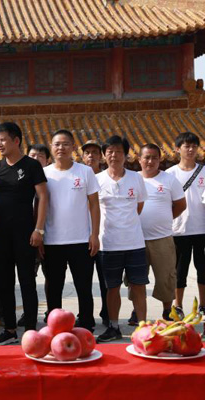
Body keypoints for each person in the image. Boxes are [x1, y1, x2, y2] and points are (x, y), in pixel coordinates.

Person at [0, 122, 47, 345]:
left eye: (3, 140)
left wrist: (38, 229)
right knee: (3, 282)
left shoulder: (32, 165)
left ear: (16, 141)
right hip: (1, 233)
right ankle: (10, 330)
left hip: (25, 232)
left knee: (27, 282)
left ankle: (31, 330)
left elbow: (43, 197)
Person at [43, 129, 100, 331]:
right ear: (51, 147)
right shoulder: (45, 173)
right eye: (57, 144)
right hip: (52, 240)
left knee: (83, 286)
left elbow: (94, 204)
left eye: (66, 144)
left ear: (73, 147)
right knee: (53, 287)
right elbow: (39, 206)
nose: (61, 148)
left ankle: (87, 323)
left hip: (81, 239)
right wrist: (40, 233)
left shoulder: (85, 172)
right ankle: (55, 325)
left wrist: (94, 234)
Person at [96, 135, 148, 343]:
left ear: (126, 155)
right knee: (112, 287)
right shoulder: (97, 179)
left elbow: (139, 206)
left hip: (134, 242)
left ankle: (143, 328)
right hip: (108, 243)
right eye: (110, 151)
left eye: (118, 151)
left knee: (138, 286)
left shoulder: (136, 178)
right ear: (104, 155)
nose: (114, 155)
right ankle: (114, 326)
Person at [127, 144, 186, 323]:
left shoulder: (169, 180)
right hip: (136, 238)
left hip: (162, 238)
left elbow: (180, 205)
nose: (150, 161)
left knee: (166, 276)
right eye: (146, 157)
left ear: (160, 159)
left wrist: (165, 218)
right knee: (135, 278)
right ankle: (137, 311)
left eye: (154, 157)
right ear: (139, 159)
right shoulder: (132, 179)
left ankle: (167, 310)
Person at [166, 132, 205, 316]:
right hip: (178, 230)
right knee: (179, 271)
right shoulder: (169, 174)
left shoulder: (204, 171)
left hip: (202, 229)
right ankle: (178, 306)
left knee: (203, 270)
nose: (190, 150)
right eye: (186, 146)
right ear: (177, 149)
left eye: (194, 146)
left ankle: (203, 306)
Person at [81, 139, 108, 326]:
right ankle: (86, 316)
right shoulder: (79, 176)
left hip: (104, 236)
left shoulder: (107, 177)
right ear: (82, 156)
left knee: (105, 280)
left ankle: (107, 313)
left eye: (95, 152)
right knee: (84, 281)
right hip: (83, 235)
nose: (91, 156)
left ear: (101, 156)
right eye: (87, 152)